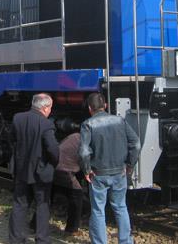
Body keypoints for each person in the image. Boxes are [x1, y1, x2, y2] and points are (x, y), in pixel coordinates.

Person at [79, 93, 140, 244]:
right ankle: (125, 241)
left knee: (98, 211)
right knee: (120, 207)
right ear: (105, 105)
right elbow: (136, 144)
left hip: (98, 174)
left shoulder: (88, 124)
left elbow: (84, 151)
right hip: (120, 171)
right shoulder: (120, 120)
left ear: (89, 108)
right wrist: (130, 165)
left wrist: (86, 170)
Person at [8, 93, 60, 244]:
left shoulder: (18, 118)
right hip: (41, 172)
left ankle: (16, 239)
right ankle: (42, 239)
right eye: (50, 108)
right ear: (44, 108)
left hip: (21, 169)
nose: (50, 111)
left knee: (19, 204)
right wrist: (53, 164)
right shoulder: (46, 124)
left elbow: (12, 139)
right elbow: (53, 150)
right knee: (42, 205)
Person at [53, 131, 83, 235]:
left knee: (47, 199)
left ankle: (34, 225)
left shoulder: (73, 136)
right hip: (66, 171)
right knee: (77, 197)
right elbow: (85, 159)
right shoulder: (85, 140)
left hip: (54, 168)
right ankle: (72, 229)